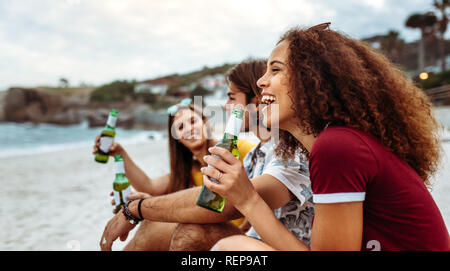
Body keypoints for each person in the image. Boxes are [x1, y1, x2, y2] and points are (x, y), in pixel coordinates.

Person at [202, 23, 450, 251]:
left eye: (275, 69)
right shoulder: (341, 142)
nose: (260, 81)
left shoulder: (338, 147)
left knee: (233, 249)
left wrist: (247, 198)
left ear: (311, 78)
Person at [99, 59, 314, 251]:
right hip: (250, 239)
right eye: (181, 127)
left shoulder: (285, 151)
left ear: (256, 100)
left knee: (187, 232)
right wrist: (151, 205)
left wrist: (139, 209)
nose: (226, 106)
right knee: (161, 226)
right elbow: (249, 217)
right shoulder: (255, 155)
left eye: (231, 98)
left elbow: (227, 205)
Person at [93, 98, 255, 250]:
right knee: (152, 222)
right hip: (216, 236)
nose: (189, 129)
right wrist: (119, 153)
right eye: (180, 127)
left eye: (193, 121)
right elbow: (149, 186)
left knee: (157, 228)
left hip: (242, 236)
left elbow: (261, 189)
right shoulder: (187, 171)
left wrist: (245, 230)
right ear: (176, 137)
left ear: (205, 123)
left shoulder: (238, 149)